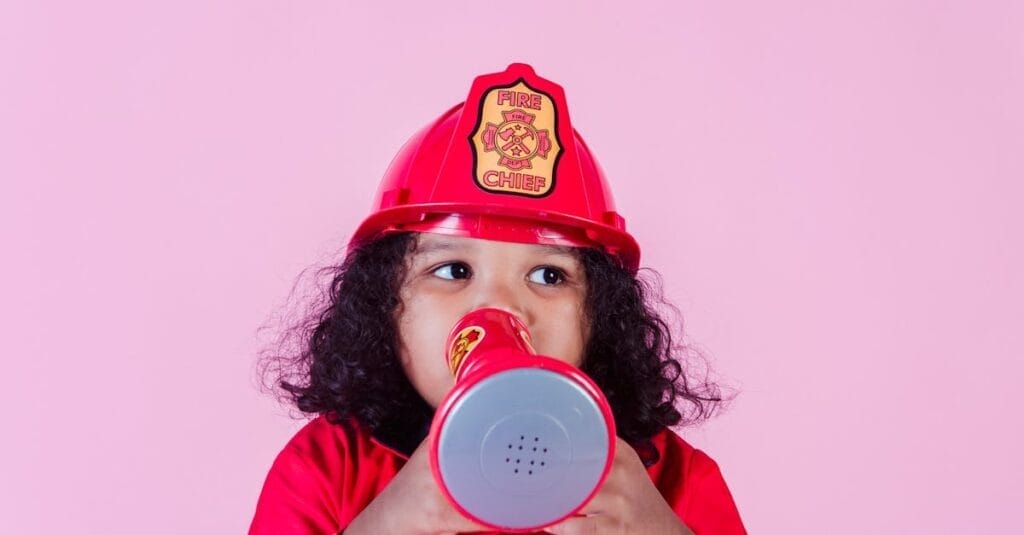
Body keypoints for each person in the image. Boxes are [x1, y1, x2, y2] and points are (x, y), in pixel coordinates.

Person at [251, 63, 746, 534]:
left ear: (601, 317)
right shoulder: (324, 467)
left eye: (550, 275)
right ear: (384, 306)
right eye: (452, 270)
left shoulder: (669, 482)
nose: (502, 306)